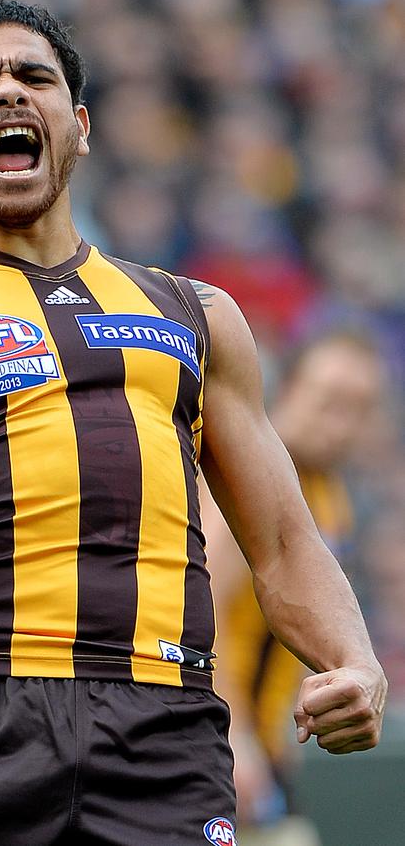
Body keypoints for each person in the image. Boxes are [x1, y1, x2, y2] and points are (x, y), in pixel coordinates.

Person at [0, 0, 386, 846]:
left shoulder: (195, 314)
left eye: (34, 76)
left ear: (77, 126)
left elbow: (284, 541)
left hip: (166, 734)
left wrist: (355, 662)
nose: (9, 92)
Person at [200, 331, 387, 846]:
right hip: (217, 746)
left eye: (359, 409)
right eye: (330, 403)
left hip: (266, 745)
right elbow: (200, 607)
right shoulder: (250, 478)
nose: (342, 426)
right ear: (285, 391)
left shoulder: (328, 491)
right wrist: (234, 738)